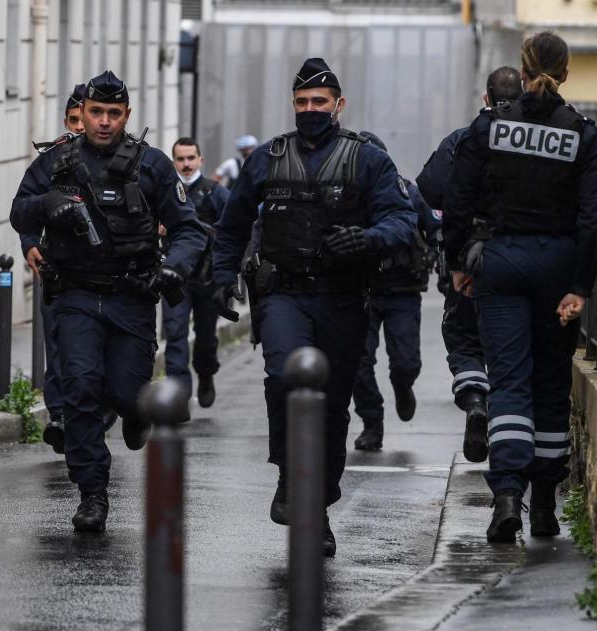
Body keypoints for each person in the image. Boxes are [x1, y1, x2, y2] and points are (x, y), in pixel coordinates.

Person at [210, 58, 416, 557]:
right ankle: (286, 475)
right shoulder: (267, 158)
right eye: (301, 102)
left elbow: (402, 219)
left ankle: (319, 504)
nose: (309, 110)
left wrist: (367, 238)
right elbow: (233, 226)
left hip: (343, 299)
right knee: (284, 376)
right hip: (283, 294)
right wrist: (220, 278)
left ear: (338, 105)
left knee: (330, 406)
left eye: (319, 102)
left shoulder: (367, 160)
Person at [10, 70, 205, 532]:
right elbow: (19, 209)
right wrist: (46, 205)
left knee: (127, 393)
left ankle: (137, 413)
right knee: (80, 390)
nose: (102, 122)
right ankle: (92, 492)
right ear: (83, 113)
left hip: (131, 298)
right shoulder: (57, 162)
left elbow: (189, 229)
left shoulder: (152, 165)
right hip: (76, 295)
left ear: (127, 116)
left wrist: (174, 266)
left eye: (113, 114)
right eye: (95, 112)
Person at [444, 33, 597, 542]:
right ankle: (543, 508)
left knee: (510, 380)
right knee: (550, 383)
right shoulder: (581, 133)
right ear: (565, 72)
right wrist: (579, 285)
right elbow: (592, 220)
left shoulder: (490, 127)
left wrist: (456, 263)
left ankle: (506, 498)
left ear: (523, 65)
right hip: (557, 267)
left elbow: (457, 198)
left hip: (500, 262)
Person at [417, 66, 524, 463]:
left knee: (463, 337)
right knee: (512, 350)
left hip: (471, 260)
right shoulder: (535, 139)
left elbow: (430, 188)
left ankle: (475, 398)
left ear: (486, 99)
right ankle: (508, 444)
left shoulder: (464, 139)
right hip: (524, 258)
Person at [350, 131, 440, 452]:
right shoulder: (347, 196)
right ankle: (372, 423)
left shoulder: (407, 192)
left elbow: (434, 228)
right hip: (361, 291)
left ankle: (403, 387)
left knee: (406, 363)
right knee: (358, 361)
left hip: (402, 289)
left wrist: (434, 252)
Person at [22, 84, 87, 453]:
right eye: (74, 120)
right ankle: (59, 416)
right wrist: (30, 243)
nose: (80, 127)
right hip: (60, 270)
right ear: (66, 121)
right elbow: (28, 205)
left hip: (108, 276)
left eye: (86, 118)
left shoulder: (125, 157)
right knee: (58, 347)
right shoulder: (52, 160)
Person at [163, 137, 229, 407]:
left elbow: (234, 230)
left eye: (191, 158)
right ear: (174, 162)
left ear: (200, 160)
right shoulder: (166, 193)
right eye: (180, 159)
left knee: (205, 338)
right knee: (175, 333)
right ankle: (179, 396)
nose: (186, 164)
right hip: (175, 277)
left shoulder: (216, 193)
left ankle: (206, 375)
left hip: (208, 278)